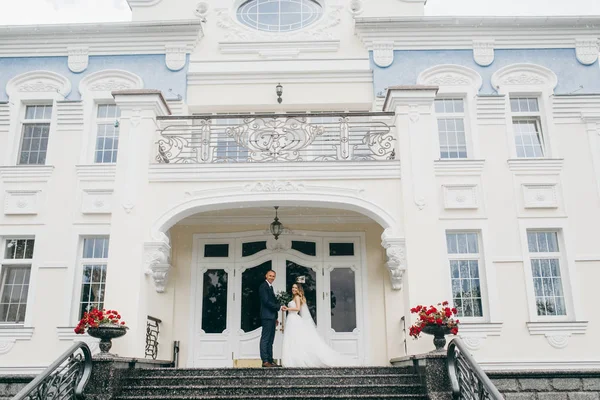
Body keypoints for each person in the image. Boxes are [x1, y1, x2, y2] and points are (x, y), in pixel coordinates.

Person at [281, 283, 351, 367]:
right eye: (293, 287)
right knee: (293, 340)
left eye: (296, 288)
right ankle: (294, 359)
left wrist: (287, 308)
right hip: (291, 319)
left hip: (293, 318)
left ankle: (295, 360)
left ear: (299, 290)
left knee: (294, 339)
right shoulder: (295, 297)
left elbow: (298, 308)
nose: (293, 289)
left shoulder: (297, 297)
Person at [258, 270, 282, 368]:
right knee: (265, 339)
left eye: (273, 276)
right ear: (266, 276)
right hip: (267, 316)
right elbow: (267, 302)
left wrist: (276, 317)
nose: (272, 277)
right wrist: (279, 307)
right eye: (270, 276)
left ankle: (270, 361)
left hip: (271, 317)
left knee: (271, 340)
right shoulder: (263, 286)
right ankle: (265, 361)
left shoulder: (270, 287)